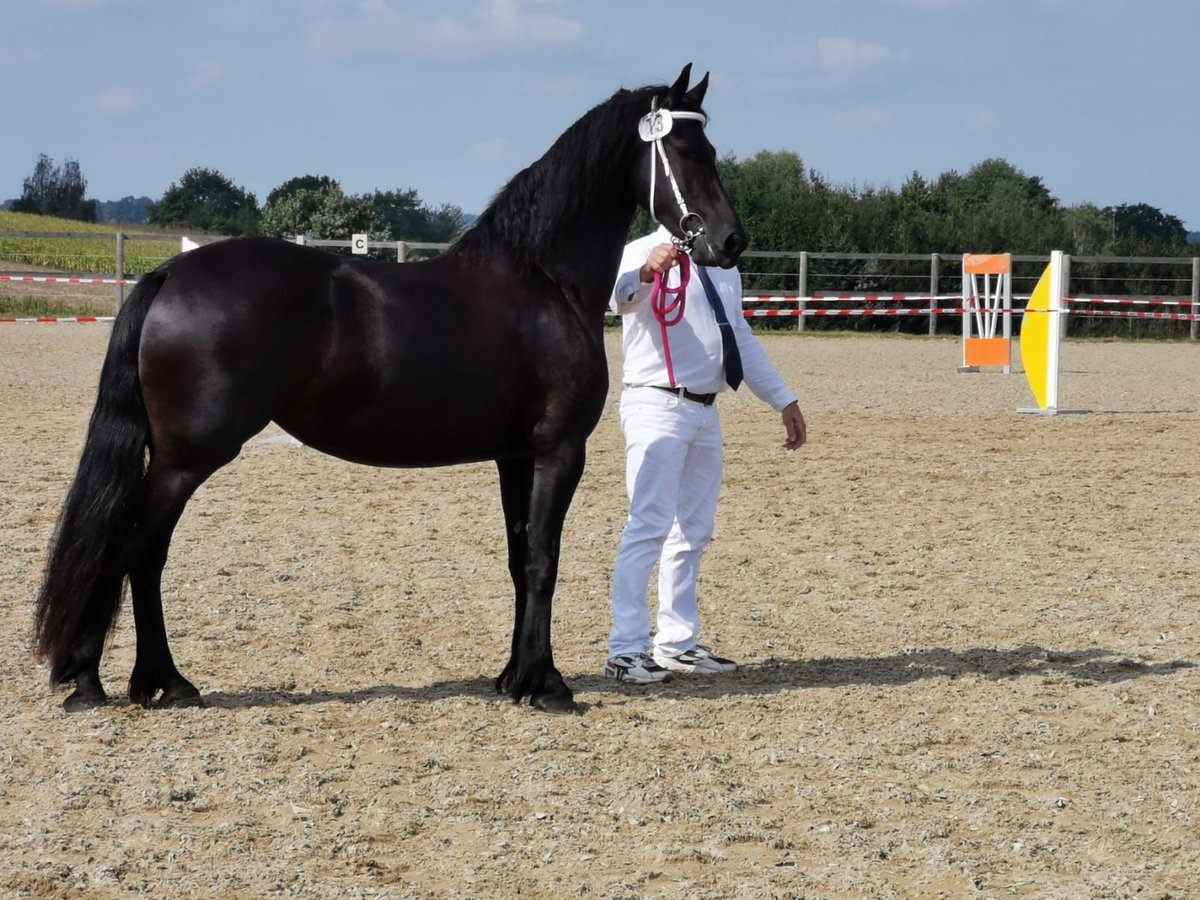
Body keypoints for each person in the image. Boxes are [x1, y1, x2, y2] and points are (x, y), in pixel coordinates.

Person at [603, 225, 807, 684]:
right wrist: (644, 271)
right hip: (655, 401)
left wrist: (783, 399)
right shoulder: (637, 250)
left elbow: (738, 335)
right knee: (648, 524)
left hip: (706, 408)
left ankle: (676, 642)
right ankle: (625, 648)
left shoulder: (721, 262)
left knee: (693, 530)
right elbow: (614, 300)